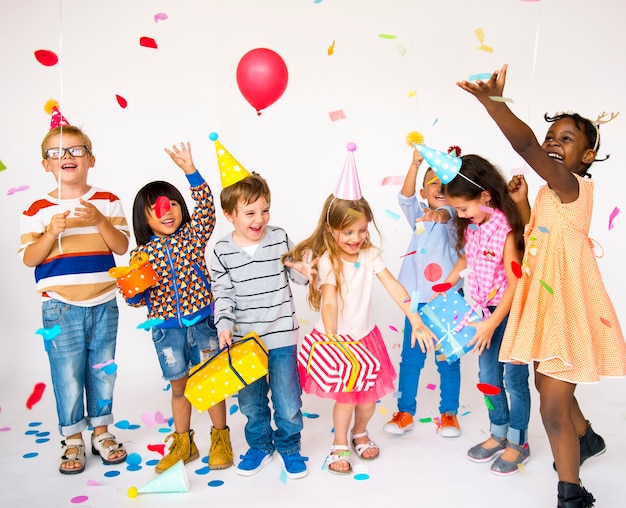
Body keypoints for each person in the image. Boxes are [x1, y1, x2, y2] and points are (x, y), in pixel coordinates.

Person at [457, 64, 626, 507]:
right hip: (546, 300)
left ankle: (571, 493)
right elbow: (541, 236)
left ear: (586, 157)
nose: (553, 143)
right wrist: (523, 205)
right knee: (544, 379)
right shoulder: (550, 193)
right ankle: (586, 438)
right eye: (552, 137)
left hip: (567, 302)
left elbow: (525, 143)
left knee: (551, 404)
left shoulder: (572, 185)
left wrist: (492, 102)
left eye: (566, 139)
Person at [286, 194, 438, 475]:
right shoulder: (329, 260)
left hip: (367, 339)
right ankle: (339, 442)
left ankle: (360, 432)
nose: (356, 238)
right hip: (339, 340)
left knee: (367, 401)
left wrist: (415, 319)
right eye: (348, 232)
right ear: (331, 229)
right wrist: (332, 339)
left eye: (362, 230)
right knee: (346, 400)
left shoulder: (369, 255)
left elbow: (394, 287)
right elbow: (329, 301)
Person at [19, 124, 129, 474]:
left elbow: (121, 246)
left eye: (76, 150)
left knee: (103, 371)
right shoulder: (37, 209)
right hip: (59, 305)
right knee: (66, 373)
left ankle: (101, 431)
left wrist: (97, 219)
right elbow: (30, 258)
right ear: (45, 164)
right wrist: (51, 231)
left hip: (103, 301)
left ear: (90, 159)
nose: (66, 156)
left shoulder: (107, 201)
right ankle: (72, 438)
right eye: (57, 152)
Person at [122, 142, 232, 474]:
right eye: (155, 209)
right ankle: (184, 442)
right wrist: (132, 287)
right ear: (143, 218)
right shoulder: (141, 255)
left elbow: (208, 208)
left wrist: (190, 171)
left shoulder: (193, 236)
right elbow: (136, 300)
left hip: (203, 323)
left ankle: (220, 437)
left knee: (212, 381)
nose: (165, 212)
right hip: (167, 331)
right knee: (180, 386)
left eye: (171, 205)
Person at [210, 172, 310, 479]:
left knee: (288, 400)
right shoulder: (221, 251)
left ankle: (290, 447)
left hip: (280, 335)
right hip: (244, 342)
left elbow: (297, 274)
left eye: (264, 210)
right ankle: (261, 446)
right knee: (251, 402)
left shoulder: (279, 237)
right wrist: (224, 325)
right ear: (229, 215)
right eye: (250, 213)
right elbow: (223, 293)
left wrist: (305, 269)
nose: (260, 219)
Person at [437, 153, 530, 476]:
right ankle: (498, 431)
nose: (460, 215)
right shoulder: (474, 226)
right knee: (488, 379)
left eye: (463, 208)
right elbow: (466, 261)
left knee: (513, 380)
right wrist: (448, 282)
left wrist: (493, 322)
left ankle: (519, 441)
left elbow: (515, 282)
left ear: (485, 196)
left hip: (508, 315)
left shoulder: (505, 228)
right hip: (481, 315)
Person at [383, 147, 463, 437]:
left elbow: (445, 213)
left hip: (447, 300)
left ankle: (449, 414)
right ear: (423, 191)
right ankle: (405, 412)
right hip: (415, 302)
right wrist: (415, 164)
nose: (440, 188)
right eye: (434, 184)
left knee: (448, 360)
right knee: (411, 359)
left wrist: (440, 213)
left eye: (445, 184)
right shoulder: (418, 215)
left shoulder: (456, 215)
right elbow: (404, 197)